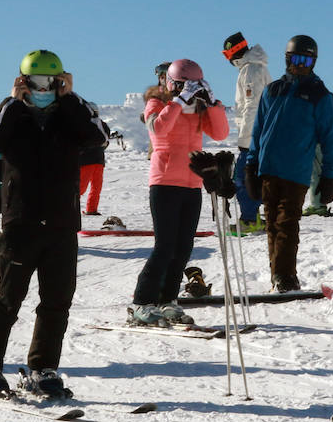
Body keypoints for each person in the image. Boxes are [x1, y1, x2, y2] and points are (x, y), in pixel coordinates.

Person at [0, 50, 108, 399]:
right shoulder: (12, 115)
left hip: (62, 225)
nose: (43, 89)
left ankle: (42, 369)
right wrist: (12, 103)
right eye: (36, 82)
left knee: (57, 301)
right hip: (21, 224)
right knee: (8, 300)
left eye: (51, 81)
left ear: (61, 80)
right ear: (23, 82)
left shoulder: (71, 114)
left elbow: (100, 138)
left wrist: (71, 98)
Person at [129, 58, 229, 326]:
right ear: (171, 83)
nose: (188, 89)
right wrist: (178, 102)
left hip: (192, 184)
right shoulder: (157, 104)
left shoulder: (196, 108)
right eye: (183, 84)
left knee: (183, 247)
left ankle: (167, 299)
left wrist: (214, 103)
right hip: (164, 183)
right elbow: (159, 131)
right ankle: (142, 301)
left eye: (193, 85)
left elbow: (220, 133)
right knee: (164, 247)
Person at [244, 35, 333, 292]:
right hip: (268, 169)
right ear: (287, 59)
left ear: (314, 62)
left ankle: (286, 277)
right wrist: (251, 165)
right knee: (272, 224)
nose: (301, 65)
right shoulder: (273, 90)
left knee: (286, 224)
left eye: (306, 60)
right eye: (296, 59)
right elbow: (258, 130)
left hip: (296, 172)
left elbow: (330, 138)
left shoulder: (319, 95)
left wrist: (329, 176)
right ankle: (278, 275)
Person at [222, 32, 271, 233]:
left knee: (242, 177)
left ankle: (250, 220)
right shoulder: (253, 68)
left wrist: (245, 138)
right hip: (260, 133)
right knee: (252, 176)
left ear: (233, 53)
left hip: (254, 135)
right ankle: (255, 217)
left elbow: (253, 105)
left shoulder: (250, 70)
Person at [78, 119, 111, 216]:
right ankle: (89, 209)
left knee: (88, 187)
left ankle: (91, 209)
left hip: (90, 159)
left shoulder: (84, 123)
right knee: (91, 187)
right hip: (95, 159)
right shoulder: (101, 124)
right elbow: (106, 140)